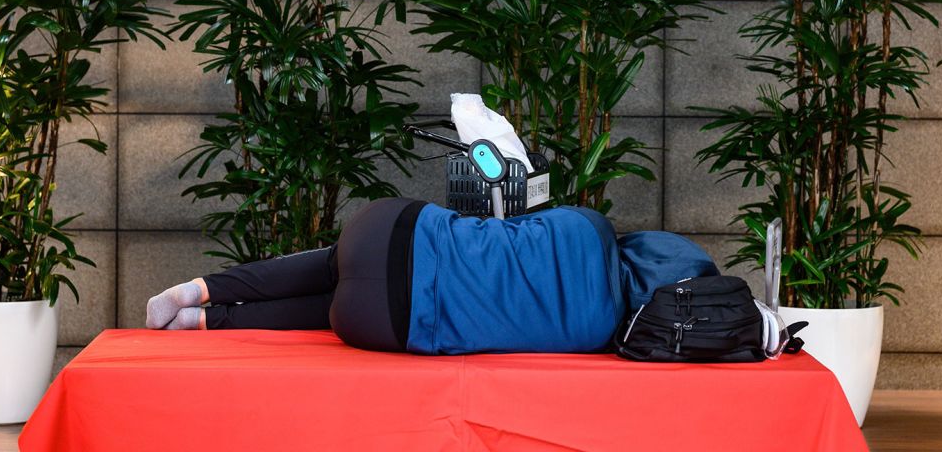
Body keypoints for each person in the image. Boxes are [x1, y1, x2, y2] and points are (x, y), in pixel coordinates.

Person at [146, 198, 719, 355]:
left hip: (389, 230)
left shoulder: (589, 225)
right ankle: (204, 322)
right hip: (386, 323)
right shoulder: (597, 333)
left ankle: (201, 289)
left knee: (330, 263)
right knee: (330, 311)